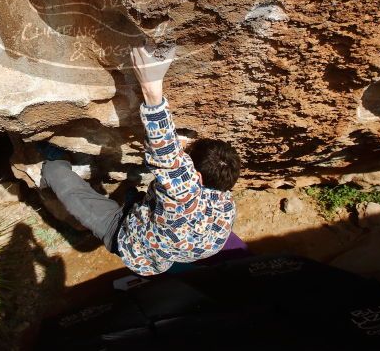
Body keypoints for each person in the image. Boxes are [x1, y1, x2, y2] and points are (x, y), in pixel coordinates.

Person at [40, 45, 241, 276]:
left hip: (125, 238)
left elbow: (167, 155)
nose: (182, 154)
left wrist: (151, 86)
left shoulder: (182, 195)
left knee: (55, 173)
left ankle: (51, 168)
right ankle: (133, 202)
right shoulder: (226, 208)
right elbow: (179, 181)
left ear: (196, 177)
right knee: (140, 199)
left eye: (185, 157)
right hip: (159, 244)